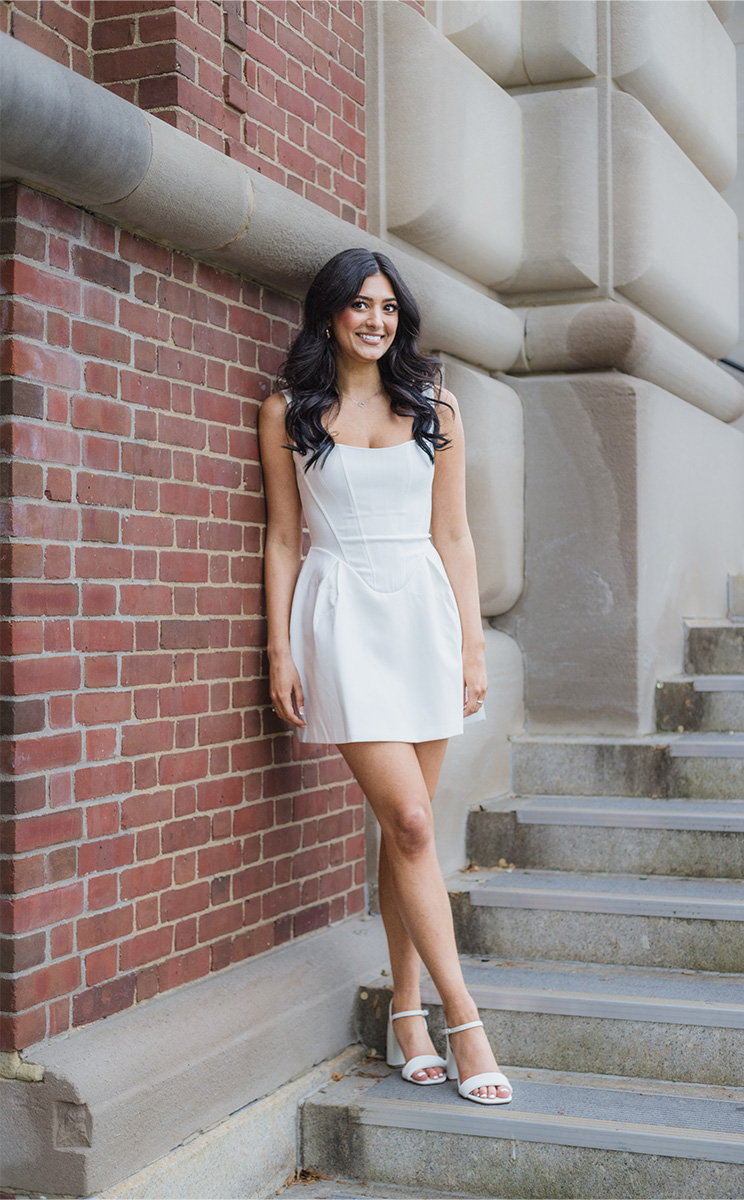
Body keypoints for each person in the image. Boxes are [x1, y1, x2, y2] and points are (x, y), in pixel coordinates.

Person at [257, 248, 512, 1106]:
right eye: (360, 305)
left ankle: (405, 1013)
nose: (376, 320)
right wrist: (279, 650)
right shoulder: (287, 411)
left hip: (422, 619)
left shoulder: (436, 405)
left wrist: (473, 646)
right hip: (340, 621)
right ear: (328, 313)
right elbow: (285, 540)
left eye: (389, 307)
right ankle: (465, 1019)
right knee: (407, 819)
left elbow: (456, 536)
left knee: (407, 833)